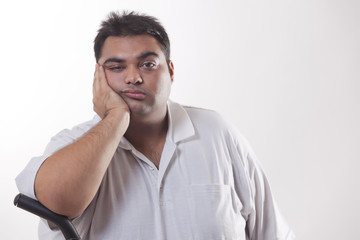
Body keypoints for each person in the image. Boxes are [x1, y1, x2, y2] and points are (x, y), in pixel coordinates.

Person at [16, 11, 295, 240]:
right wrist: (115, 118)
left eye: (148, 64)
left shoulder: (217, 133)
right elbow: (58, 200)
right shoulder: (72, 144)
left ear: (170, 71)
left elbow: (272, 233)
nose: (133, 77)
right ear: (97, 77)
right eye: (116, 67)